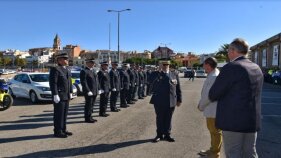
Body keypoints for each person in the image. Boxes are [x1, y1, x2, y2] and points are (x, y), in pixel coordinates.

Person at [209, 38, 263, 158]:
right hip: (252, 121)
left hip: (233, 122)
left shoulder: (231, 67)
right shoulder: (256, 68)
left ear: (233, 51)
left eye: (228, 50)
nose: (227, 53)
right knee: (251, 153)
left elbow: (213, 94)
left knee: (233, 153)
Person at [150, 60, 182, 143]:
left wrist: (179, 99)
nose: (165, 66)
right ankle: (159, 135)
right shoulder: (156, 74)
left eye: (166, 64)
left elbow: (178, 88)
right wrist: (159, 71)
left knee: (168, 118)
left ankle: (167, 134)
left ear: (169, 65)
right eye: (163, 64)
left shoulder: (174, 74)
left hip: (171, 101)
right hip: (159, 101)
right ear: (160, 65)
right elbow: (150, 81)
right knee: (160, 118)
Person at [198, 57, 222, 158]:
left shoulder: (213, 77)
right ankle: (213, 150)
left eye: (204, 64)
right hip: (212, 108)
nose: (203, 66)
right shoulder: (213, 74)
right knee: (213, 131)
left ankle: (215, 153)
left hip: (213, 109)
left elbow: (208, 95)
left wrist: (201, 105)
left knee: (215, 132)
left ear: (208, 65)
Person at [49, 52, 73, 138]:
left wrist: (70, 91)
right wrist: (55, 94)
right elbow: (53, 83)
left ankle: (63, 129)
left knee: (65, 114)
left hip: (66, 95)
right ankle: (58, 131)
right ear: (59, 60)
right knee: (59, 114)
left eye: (67, 59)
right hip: (59, 95)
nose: (67, 60)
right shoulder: (56, 69)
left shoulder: (67, 69)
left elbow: (69, 82)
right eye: (65, 59)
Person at [80, 58, 99, 123]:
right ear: (87, 63)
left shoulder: (93, 71)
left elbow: (96, 81)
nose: (93, 64)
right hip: (89, 92)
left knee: (92, 105)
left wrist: (98, 89)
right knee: (88, 105)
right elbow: (84, 82)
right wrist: (88, 90)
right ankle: (87, 118)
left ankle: (90, 116)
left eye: (93, 63)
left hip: (94, 91)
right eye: (91, 63)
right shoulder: (84, 71)